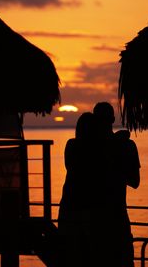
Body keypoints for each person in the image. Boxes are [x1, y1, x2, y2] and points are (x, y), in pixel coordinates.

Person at [92, 101, 141, 267]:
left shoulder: (89, 148)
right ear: (112, 119)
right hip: (113, 218)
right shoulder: (126, 145)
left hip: (98, 220)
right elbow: (135, 181)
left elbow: (134, 181)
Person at [57, 112, 98, 266]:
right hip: (84, 207)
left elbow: (70, 166)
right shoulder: (94, 149)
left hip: (69, 204)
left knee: (71, 253)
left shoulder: (71, 144)